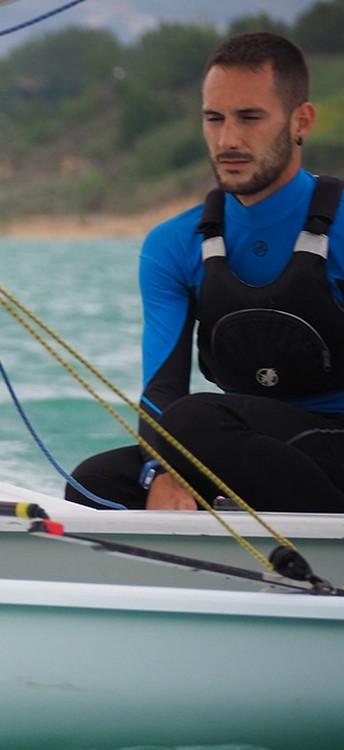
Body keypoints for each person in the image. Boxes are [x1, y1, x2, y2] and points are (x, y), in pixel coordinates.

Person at [66, 32, 344, 513]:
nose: (227, 140)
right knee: (94, 484)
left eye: (250, 118)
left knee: (192, 422)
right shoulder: (174, 245)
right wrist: (162, 470)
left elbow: (185, 417)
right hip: (245, 446)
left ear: (301, 121)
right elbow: (162, 390)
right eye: (214, 118)